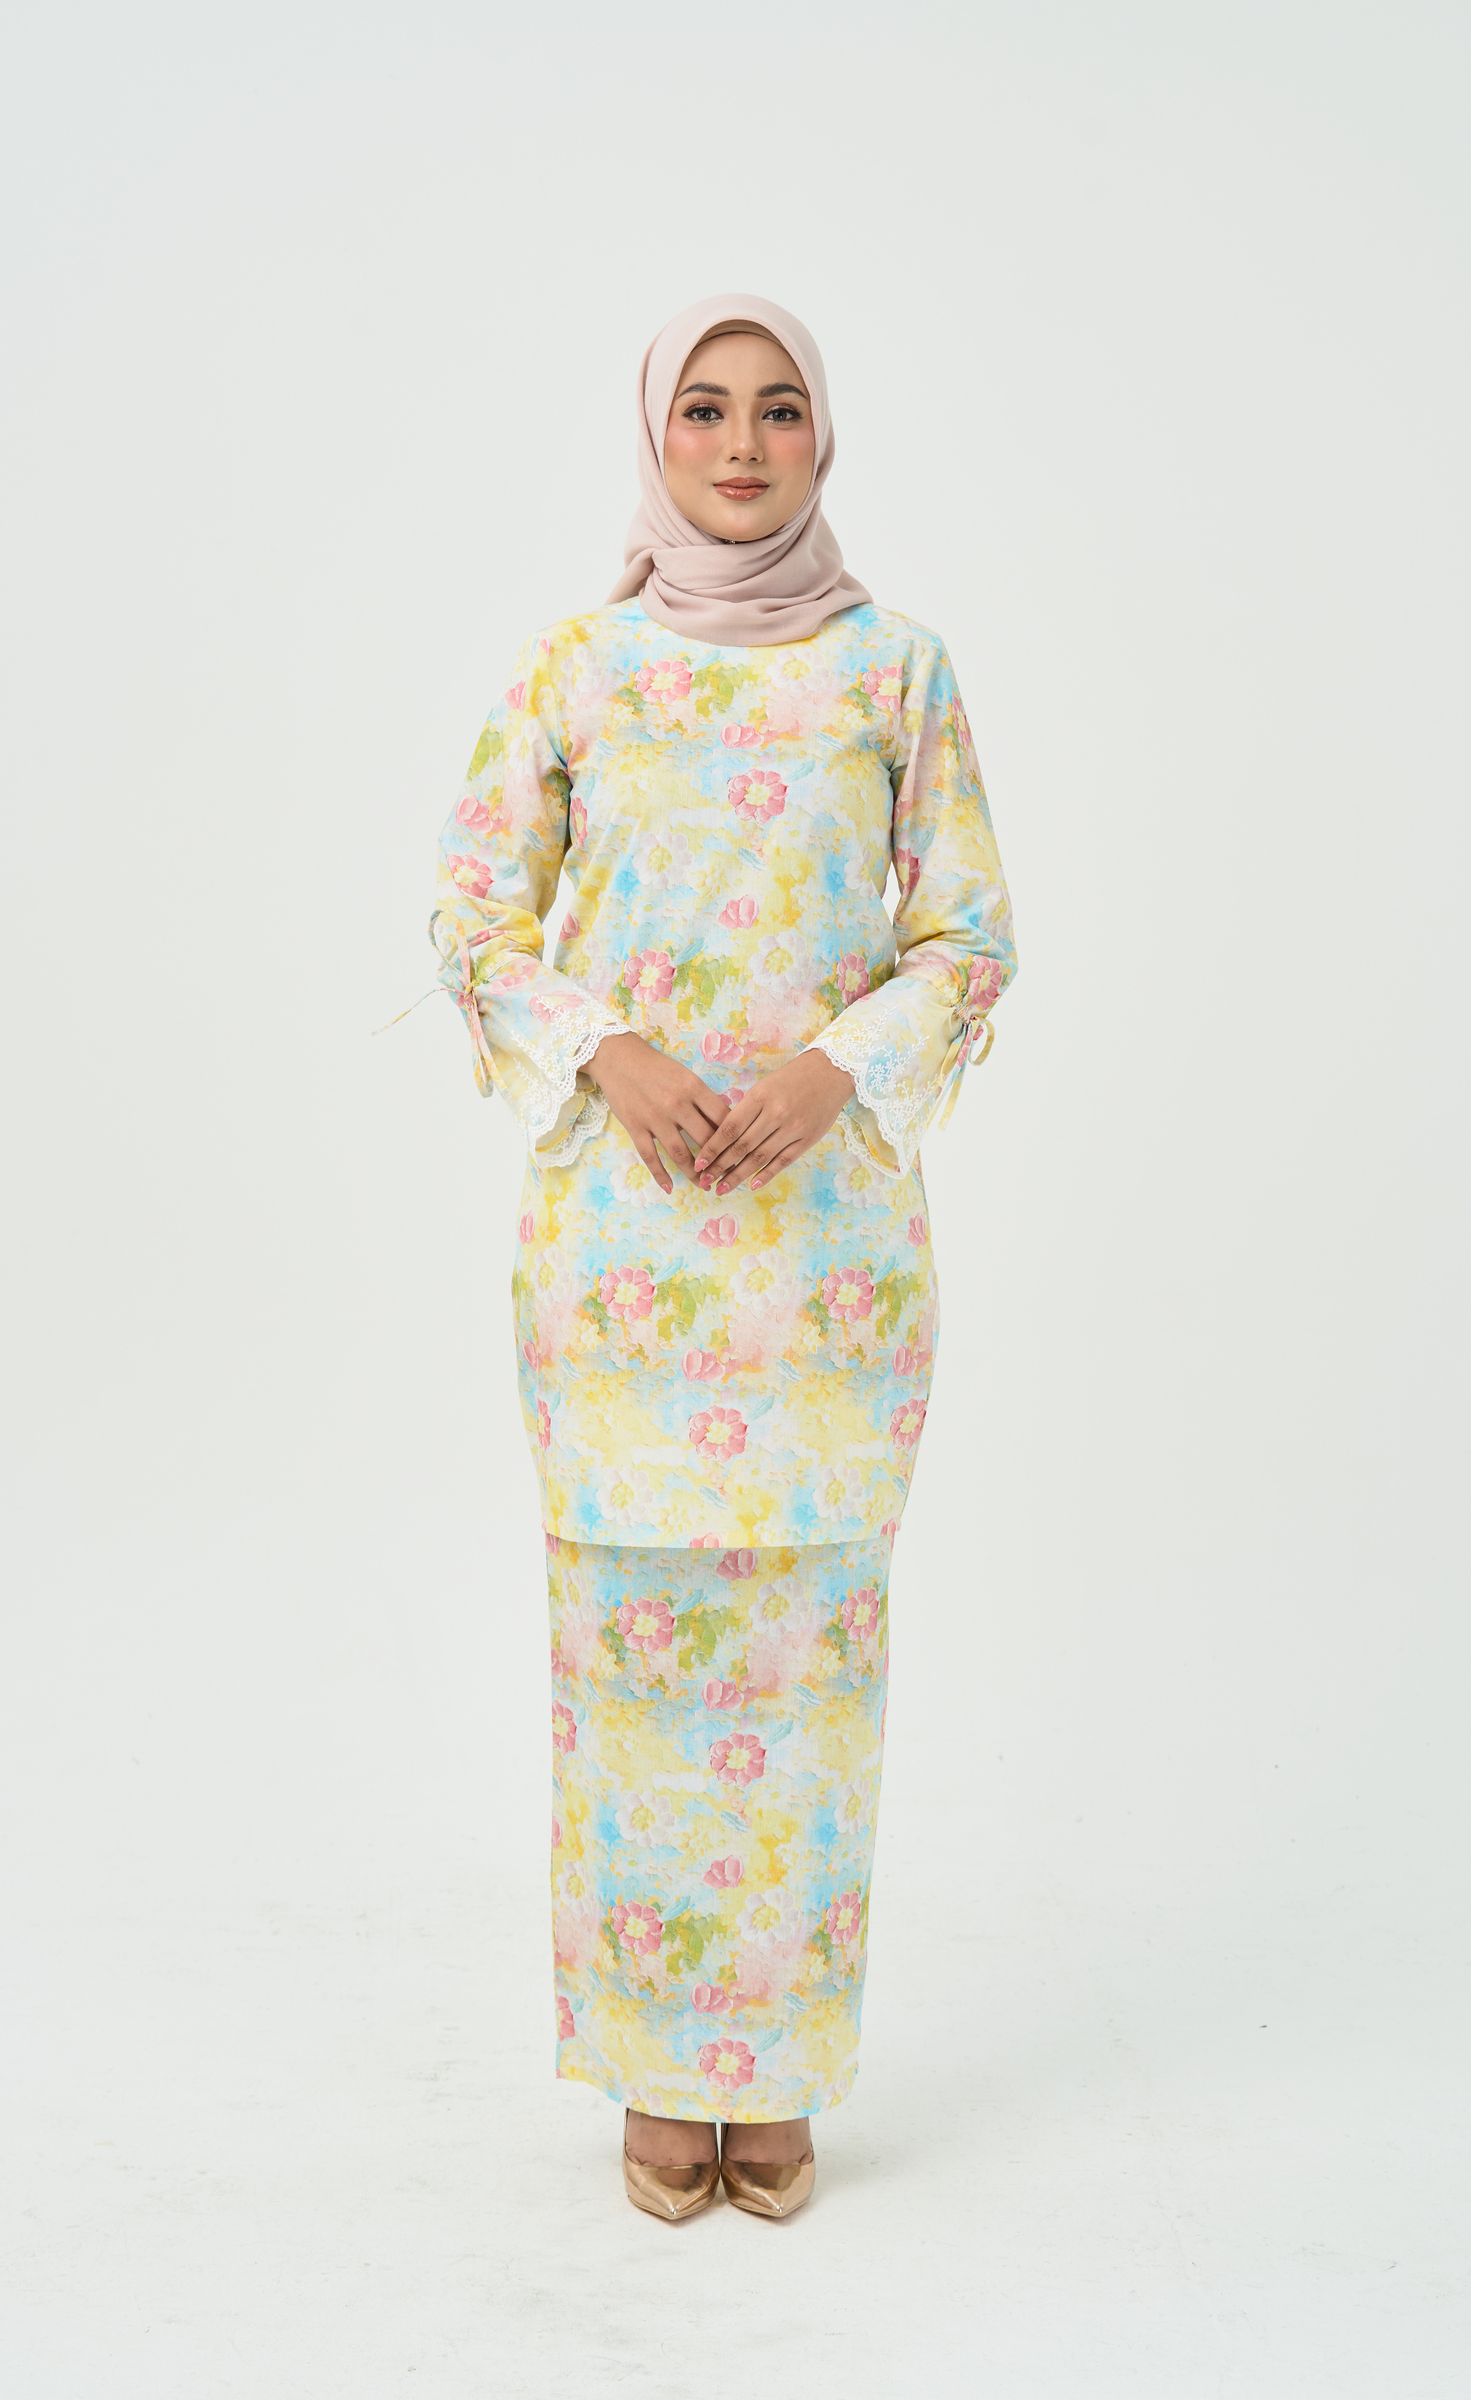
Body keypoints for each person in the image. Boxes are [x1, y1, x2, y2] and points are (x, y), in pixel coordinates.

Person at [432, 293, 1016, 2221]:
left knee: (809, 1653)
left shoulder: (895, 670)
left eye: (777, 411)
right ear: (656, 436)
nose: (742, 444)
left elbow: (971, 933)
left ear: (822, 439)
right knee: (631, 1654)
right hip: (624, 1255)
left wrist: (836, 1071)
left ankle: (777, 2071)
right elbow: (472, 915)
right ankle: (654, 2072)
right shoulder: (579, 670)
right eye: (704, 409)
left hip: (825, 1266)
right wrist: (608, 1048)